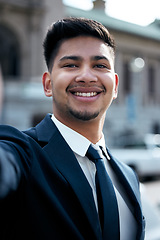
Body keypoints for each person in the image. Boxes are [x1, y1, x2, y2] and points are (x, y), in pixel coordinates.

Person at [0, 17, 145, 240]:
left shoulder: (128, 176)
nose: (86, 76)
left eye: (100, 65)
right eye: (71, 65)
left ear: (115, 86)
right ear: (47, 84)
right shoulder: (21, 153)